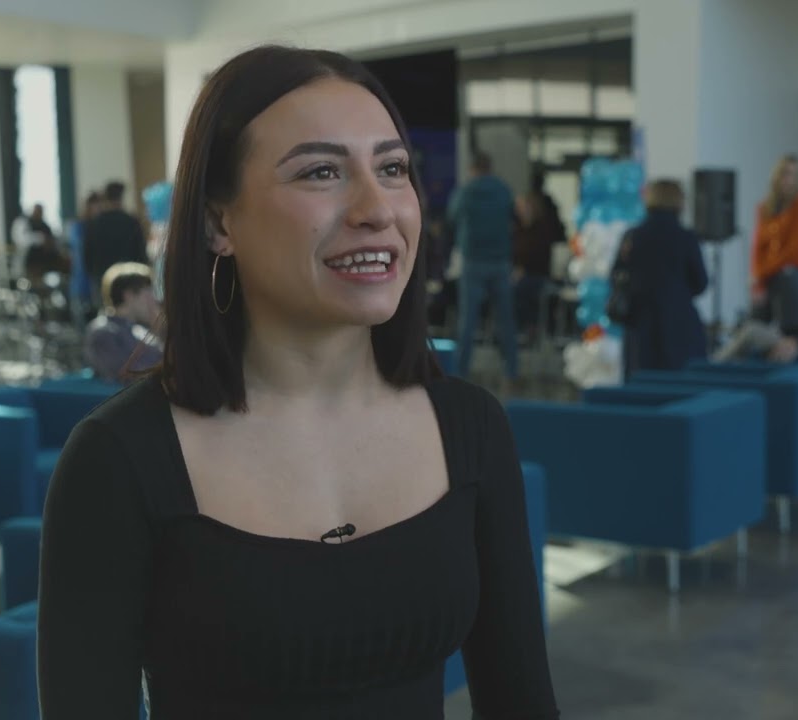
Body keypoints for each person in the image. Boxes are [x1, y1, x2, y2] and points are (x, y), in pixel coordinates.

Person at [37, 45, 558, 719]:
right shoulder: (120, 459)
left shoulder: (470, 427)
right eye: (321, 172)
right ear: (217, 222)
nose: (378, 208)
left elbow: (522, 703)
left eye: (393, 168)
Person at [609, 179, 709, 379]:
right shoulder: (685, 238)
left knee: (641, 391)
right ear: (679, 202)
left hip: (640, 326)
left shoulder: (632, 237)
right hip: (679, 326)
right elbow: (700, 283)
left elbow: (616, 277)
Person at [448, 152, 519, 382]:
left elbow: (452, 216)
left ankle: (461, 371)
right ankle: (511, 370)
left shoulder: (466, 191)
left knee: (468, 320)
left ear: (474, 169)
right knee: (506, 319)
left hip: (473, 261)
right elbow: (514, 219)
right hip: (500, 260)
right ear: (490, 168)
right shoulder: (503, 190)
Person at [751, 154, 798, 332]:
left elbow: (796, 251)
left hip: (789, 275)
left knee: (788, 331)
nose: (789, 180)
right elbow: (758, 247)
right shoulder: (766, 208)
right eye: (785, 174)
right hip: (767, 277)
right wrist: (758, 280)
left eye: (794, 175)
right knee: (755, 325)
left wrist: (762, 273)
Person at [82, 262, 162, 383]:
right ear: (129, 295)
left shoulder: (140, 330)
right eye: (147, 294)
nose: (153, 301)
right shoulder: (102, 331)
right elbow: (125, 374)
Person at [513, 172, 567, 337]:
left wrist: (523, 268)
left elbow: (539, 256)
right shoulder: (517, 230)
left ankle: (530, 328)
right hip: (521, 274)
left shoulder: (542, 230)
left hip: (538, 275)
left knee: (521, 289)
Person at [83, 180, 149, 299]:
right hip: (128, 280)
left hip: (102, 279)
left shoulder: (94, 224)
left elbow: (88, 255)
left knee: (105, 314)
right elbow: (141, 254)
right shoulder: (131, 222)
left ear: (106, 198)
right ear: (121, 197)